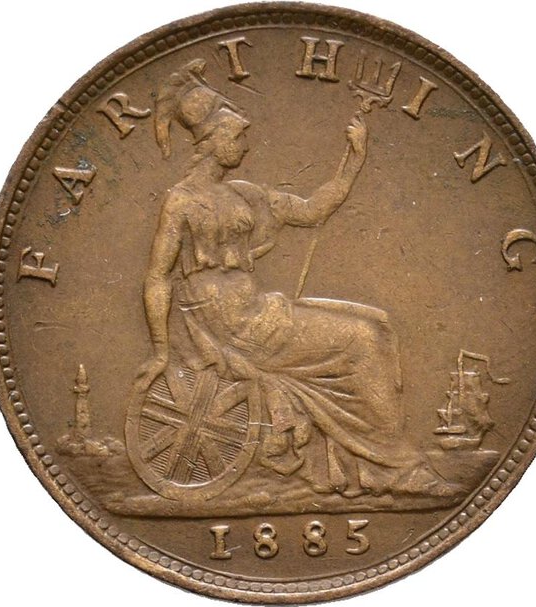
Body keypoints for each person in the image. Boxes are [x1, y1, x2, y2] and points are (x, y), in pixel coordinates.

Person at [134, 59, 451, 498]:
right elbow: (157, 276)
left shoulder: (245, 194)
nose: (245, 146)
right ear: (211, 140)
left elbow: (312, 209)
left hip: (260, 315)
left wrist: (353, 160)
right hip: (232, 327)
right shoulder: (181, 202)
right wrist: (160, 350)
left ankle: (363, 466)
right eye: (237, 136)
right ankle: (396, 469)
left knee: (377, 324)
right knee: (363, 340)